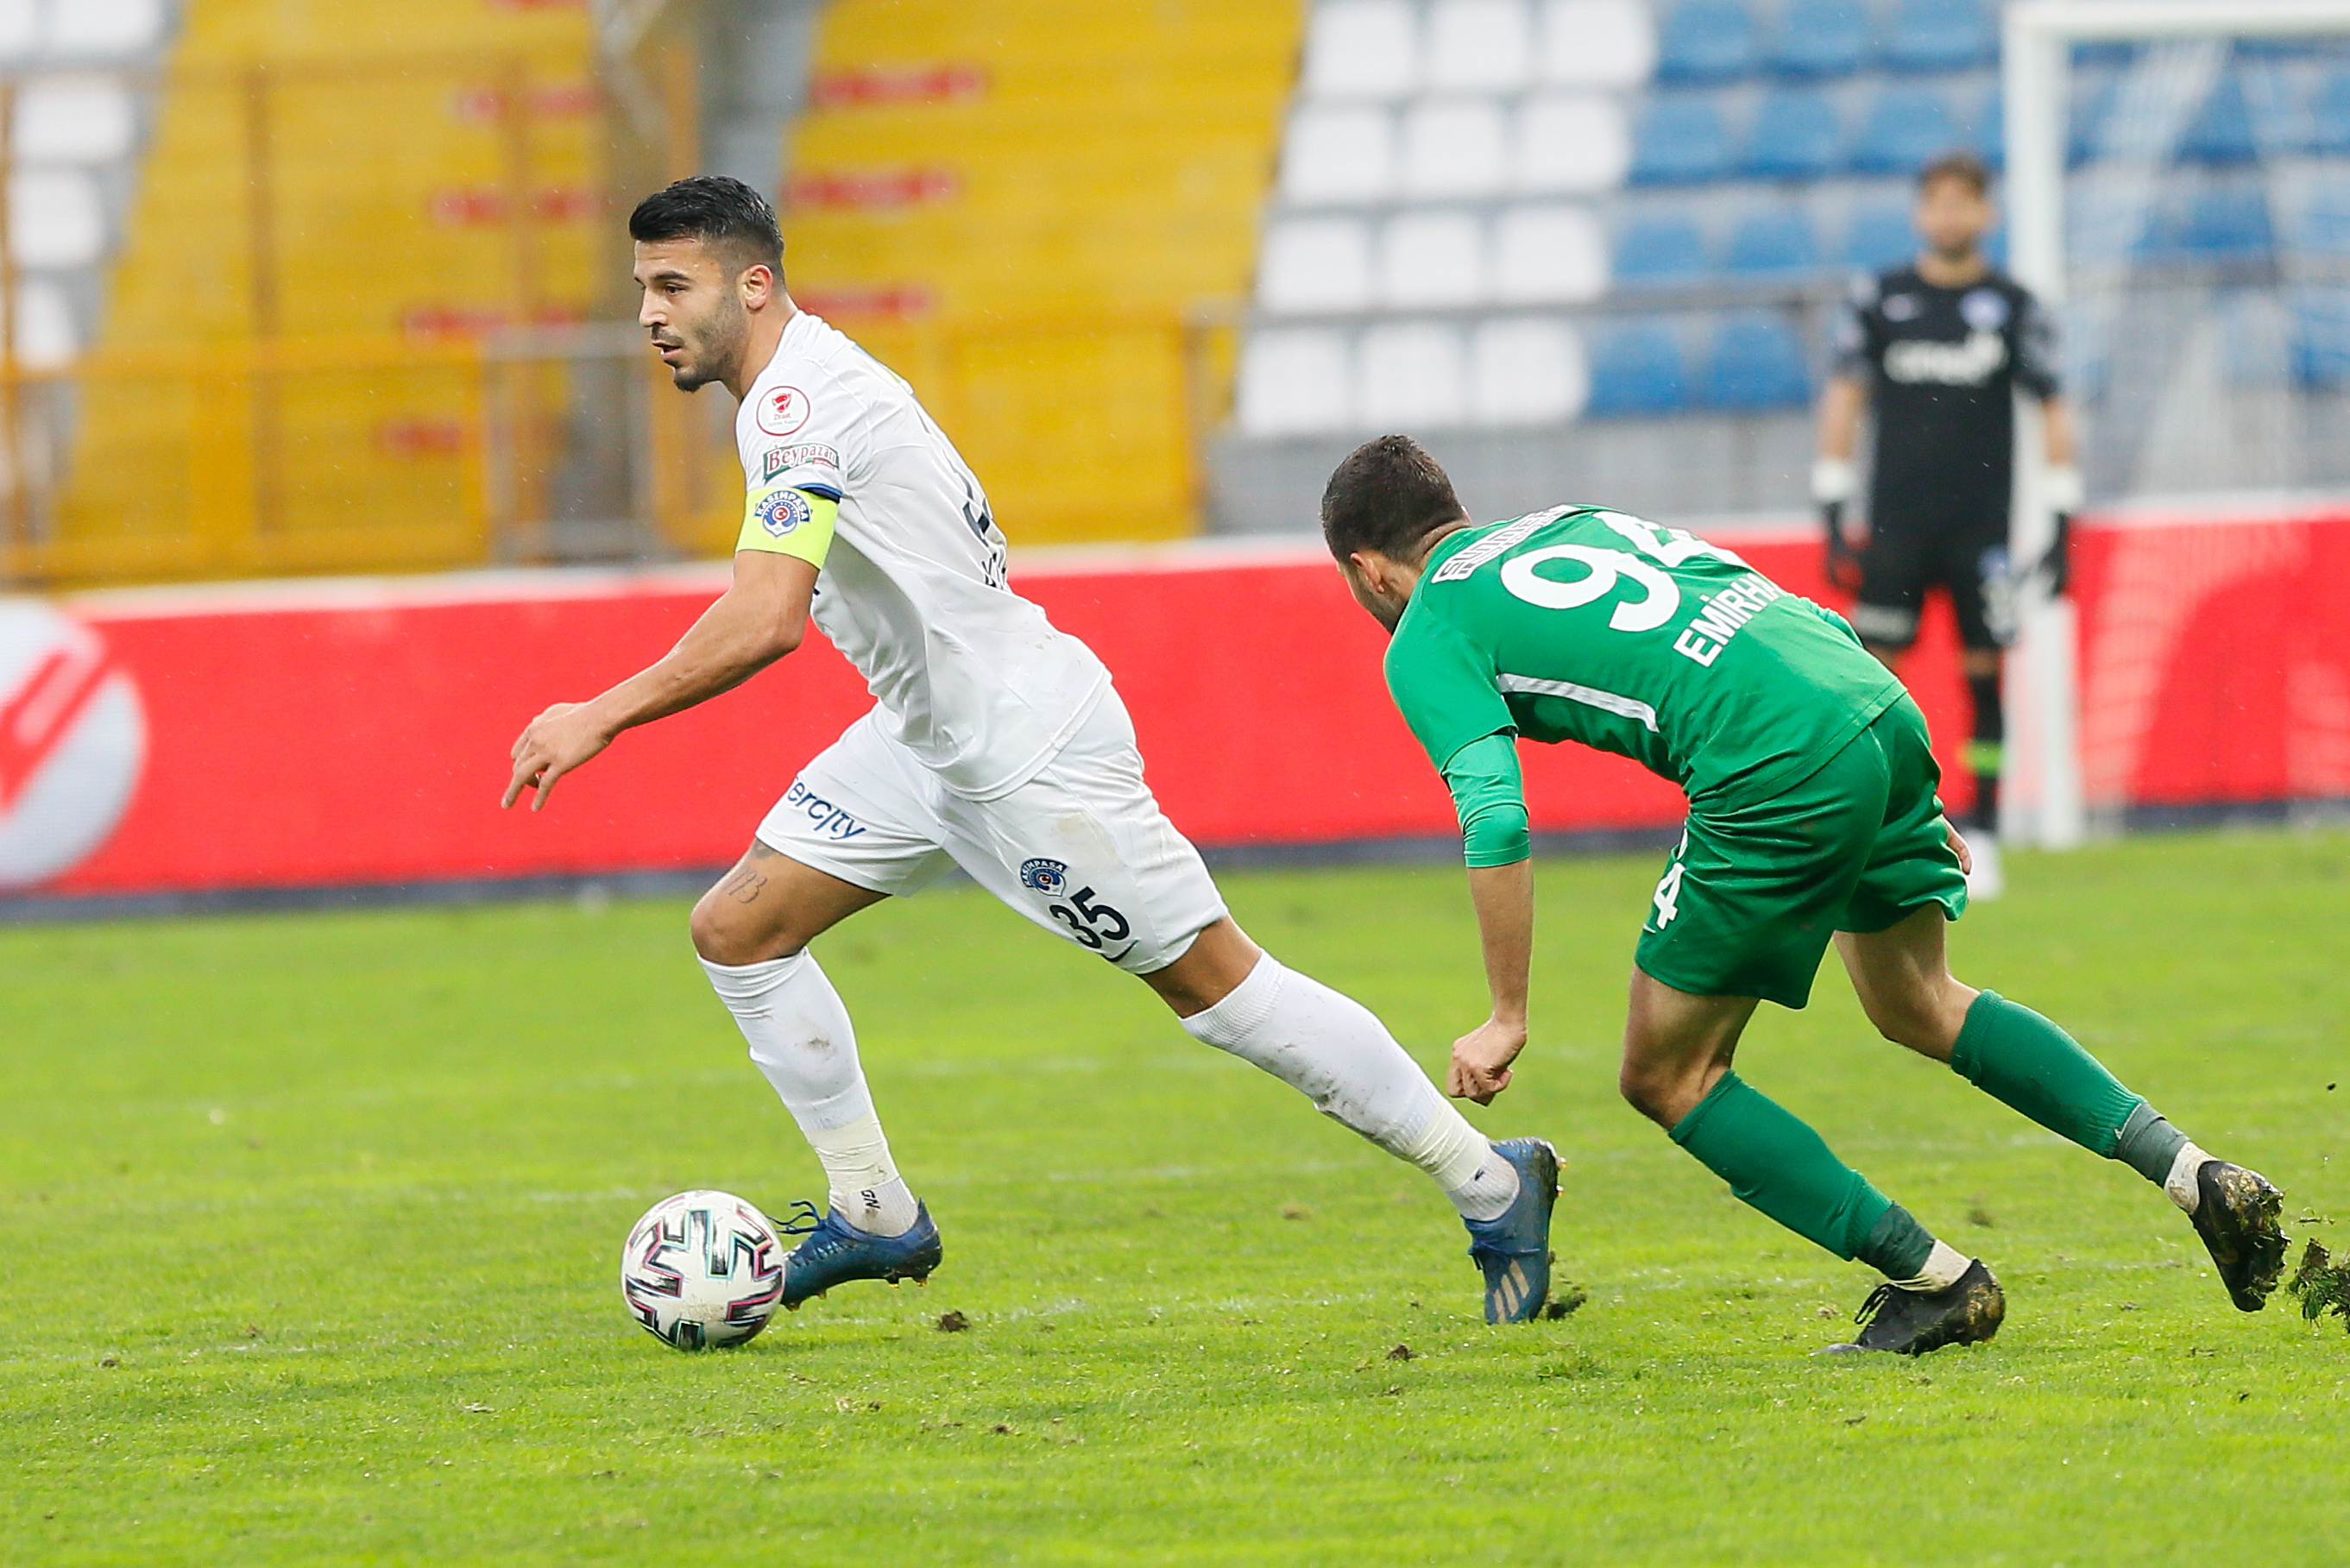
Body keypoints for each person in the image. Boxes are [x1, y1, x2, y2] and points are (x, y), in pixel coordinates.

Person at [500, 176, 1560, 1325]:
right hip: (925, 737)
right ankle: (872, 1210)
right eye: (643, 288)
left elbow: (765, 618)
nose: (649, 314)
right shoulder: (803, 385)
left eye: (673, 285)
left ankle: (1490, 1182)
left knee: (1220, 990)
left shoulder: (799, 408)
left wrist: (599, 711)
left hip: (1021, 751)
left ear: (752, 286)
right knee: (738, 931)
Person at [1320, 433, 2286, 1355]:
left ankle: (1935, 1281)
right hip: (1865, 698)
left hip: (1771, 761)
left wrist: (1506, 1013)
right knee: (1919, 1000)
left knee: (1668, 1075)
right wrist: (1897, 779)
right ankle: (2191, 1171)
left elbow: (1495, 819)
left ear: (1368, 569)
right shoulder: (1570, 521)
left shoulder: (1427, 629)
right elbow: (1768, 601)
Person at [1814, 152, 2080, 899]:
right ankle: (1878, 827)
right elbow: (1844, 396)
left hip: (1981, 532)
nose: (1949, 215)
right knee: (1871, 683)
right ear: (1919, 212)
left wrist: (2062, 515)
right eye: (1936, 201)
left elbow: (2053, 404)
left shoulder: (2014, 305)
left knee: (1984, 677)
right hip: (1895, 528)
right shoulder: (1879, 299)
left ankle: (1985, 833)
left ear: (1985, 213)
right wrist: (1830, 504)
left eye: (1963, 202)